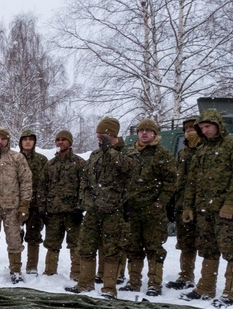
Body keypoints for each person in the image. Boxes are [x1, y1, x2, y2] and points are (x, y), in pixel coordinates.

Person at [180, 109, 233, 306]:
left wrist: (230, 204)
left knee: (232, 250)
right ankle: (205, 287)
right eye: (202, 127)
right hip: (204, 210)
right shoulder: (202, 150)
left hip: (227, 211)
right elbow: (192, 181)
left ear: (218, 125)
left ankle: (232, 292)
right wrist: (188, 206)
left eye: (208, 126)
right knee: (208, 249)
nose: (205, 130)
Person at [65, 117, 133, 299]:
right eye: (98, 134)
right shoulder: (95, 155)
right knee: (85, 246)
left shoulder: (128, 153)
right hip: (93, 210)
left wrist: (109, 150)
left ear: (111, 134)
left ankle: (109, 287)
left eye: (102, 134)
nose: (98, 138)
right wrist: (83, 203)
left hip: (114, 211)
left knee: (112, 249)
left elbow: (128, 168)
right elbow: (85, 180)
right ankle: (84, 284)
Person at [121, 119, 176, 296]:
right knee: (133, 246)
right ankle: (134, 281)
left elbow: (171, 182)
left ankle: (154, 283)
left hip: (153, 211)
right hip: (133, 210)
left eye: (148, 131)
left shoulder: (162, 154)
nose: (144, 133)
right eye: (141, 130)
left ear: (155, 133)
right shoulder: (130, 154)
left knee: (154, 248)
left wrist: (160, 202)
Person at [0, 127, 32, 283]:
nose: (0, 142)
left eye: (3, 138)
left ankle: (15, 270)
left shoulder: (17, 158)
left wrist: (24, 204)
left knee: (14, 240)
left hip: (12, 208)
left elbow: (26, 182)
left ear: (8, 140)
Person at [38, 130, 84, 277]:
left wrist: (80, 208)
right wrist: (42, 209)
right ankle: (50, 272)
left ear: (70, 142)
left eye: (63, 140)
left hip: (72, 212)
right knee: (52, 244)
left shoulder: (79, 163)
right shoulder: (50, 165)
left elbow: (85, 186)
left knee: (75, 244)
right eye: (58, 140)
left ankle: (76, 273)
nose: (60, 142)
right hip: (53, 212)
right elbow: (42, 187)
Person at [165, 116, 203, 290]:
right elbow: (178, 180)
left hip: (202, 205)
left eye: (192, 128)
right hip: (183, 204)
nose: (188, 131)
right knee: (186, 243)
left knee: (207, 246)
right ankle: (186, 276)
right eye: (186, 128)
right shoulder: (183, 153)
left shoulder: (206, 150)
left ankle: (207, 283)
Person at [18, 128, 48, 274]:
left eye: (30, 139)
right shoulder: (15, 158)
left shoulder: (42, 160)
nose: (28, 142)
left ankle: (31, 267)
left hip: (35, 204)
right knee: (15, 236)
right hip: (17, 204)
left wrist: (44, 204)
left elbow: (46, 183)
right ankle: (15, 266)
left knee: (34, 236)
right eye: (25, 139)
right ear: (21, 142)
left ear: (34, 142)